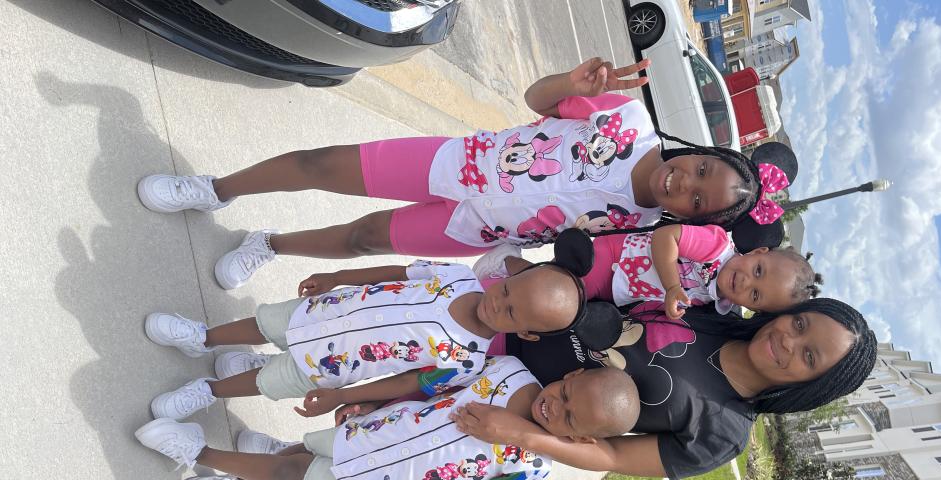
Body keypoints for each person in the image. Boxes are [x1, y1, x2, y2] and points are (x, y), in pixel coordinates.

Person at [136, 57, 779, 289]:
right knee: (322, 165)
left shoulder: (636, 224)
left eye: (699, 200)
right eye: (700, 169)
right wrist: (571, 83)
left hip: (473, 228)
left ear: (691, 216)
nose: (685, 184)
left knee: (364, 238)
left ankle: (268, 245)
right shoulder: (629, 120)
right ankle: (214, 190)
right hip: (455, 162)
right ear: (699, 152)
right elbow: (536, 100)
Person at [133, 357, 641, 480]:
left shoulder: (534, 469)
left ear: (582, 440)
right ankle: (239, 471)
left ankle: (199, 453)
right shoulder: (508, 371)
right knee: (304, 457)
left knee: (296, 475)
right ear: (572, 374)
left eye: (570, 417)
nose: (556, 407)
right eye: (566, 392)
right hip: (374, 432)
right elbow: (428, 385)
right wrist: (367, 403)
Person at [450, 298, 878, 480]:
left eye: (809, 356)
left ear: (811, 386)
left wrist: (519, 434)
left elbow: (613, 456)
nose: (788, 341)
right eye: (800, 323)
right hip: (492, 326)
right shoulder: (709, 308)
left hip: (498, 405)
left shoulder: (723, 434)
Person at [143, 257, 592, 421]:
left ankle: (209, 391)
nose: (498, 303)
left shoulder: (468, 362)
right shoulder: (456, 276)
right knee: (262, 323)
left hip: (330, 369)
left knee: (267, 381)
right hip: (322, 313)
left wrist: (342, 399)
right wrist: (339, 276)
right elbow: (396, 272)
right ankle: (202, 337)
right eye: (507, 290)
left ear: (525, 333)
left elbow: (406, 383)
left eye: (511, 312)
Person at [475, 222, 822, 318]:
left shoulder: (718, 303)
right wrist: (672, 287)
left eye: (756, 294)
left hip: (617, 291)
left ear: (753, 308)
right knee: (558, 286)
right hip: (616, 258)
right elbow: (665, 238)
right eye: (758, 270)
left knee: (561, 296)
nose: (746, 282)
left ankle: (507, 282)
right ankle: (507, 262)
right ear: (758, 252)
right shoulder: (717, 248)